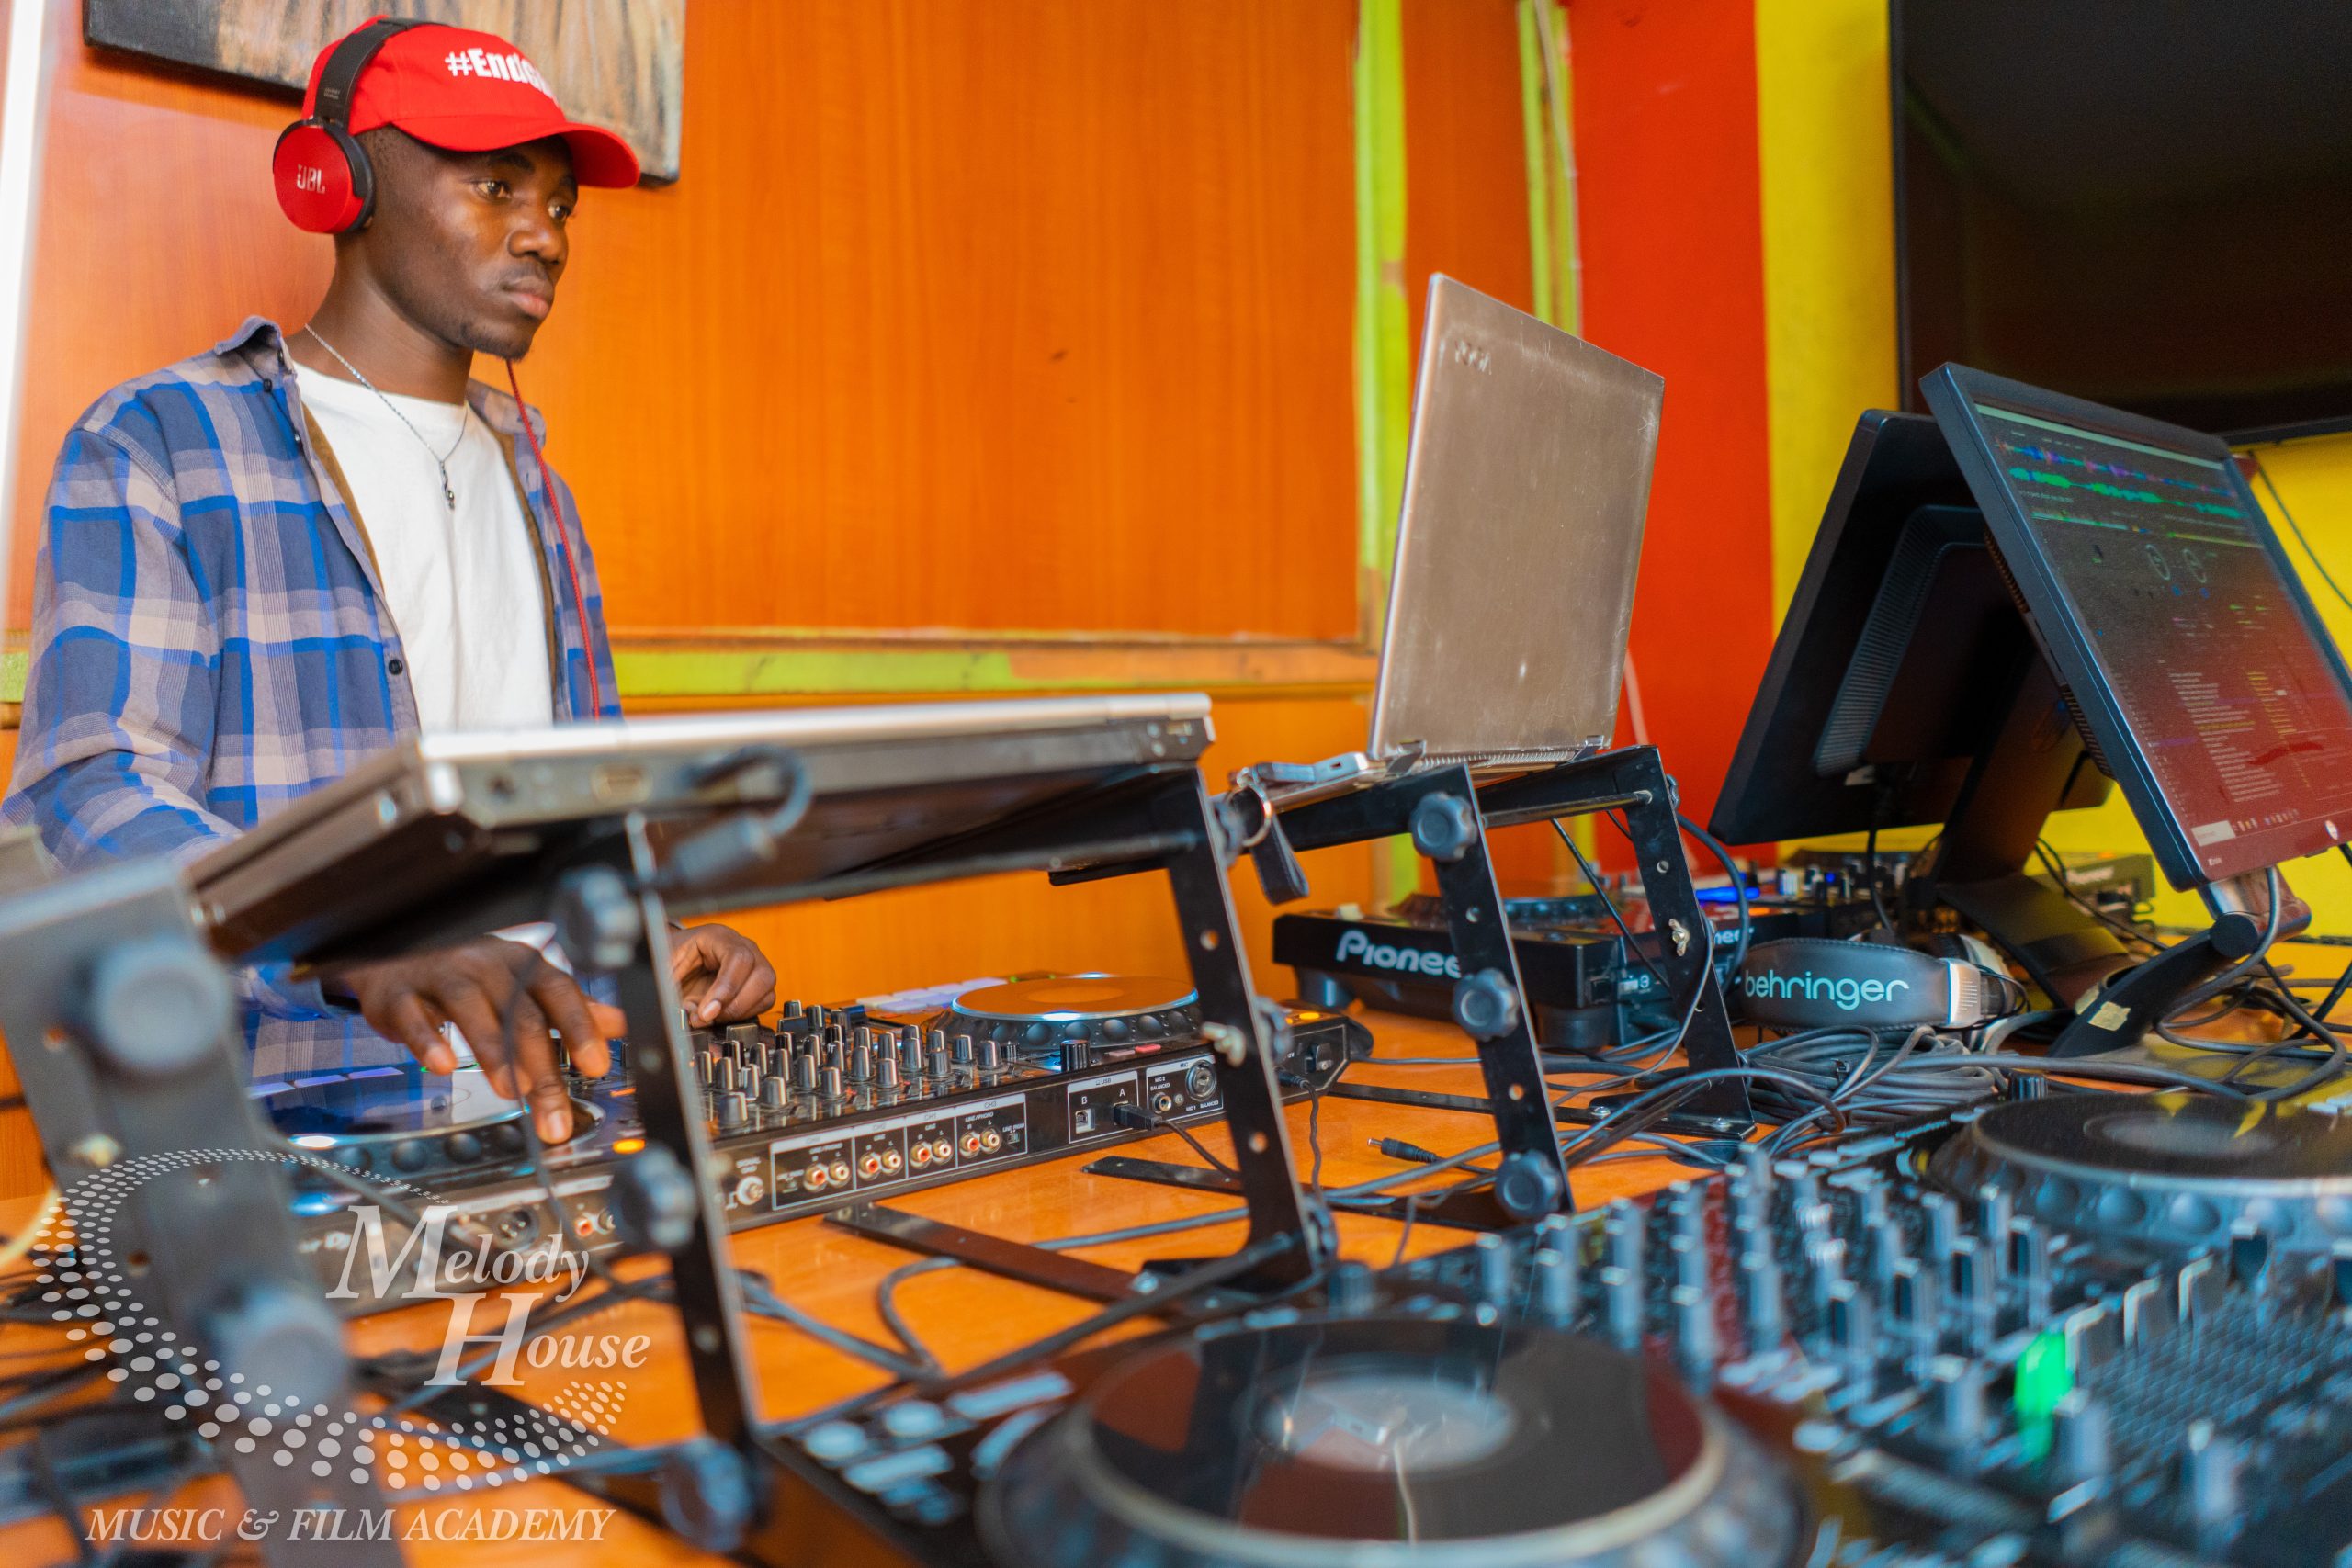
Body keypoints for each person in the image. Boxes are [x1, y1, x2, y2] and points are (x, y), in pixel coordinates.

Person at [2, 18, 774, 1143]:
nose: (544, 237)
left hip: (556, 1122)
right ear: (337, 184)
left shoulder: (540, 484)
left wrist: (663, 944)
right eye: (496, 186)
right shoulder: (163, 441)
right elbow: (87, 799)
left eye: (560, 206)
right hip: (287, 1138)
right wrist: (352, 934)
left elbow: (580, 820)